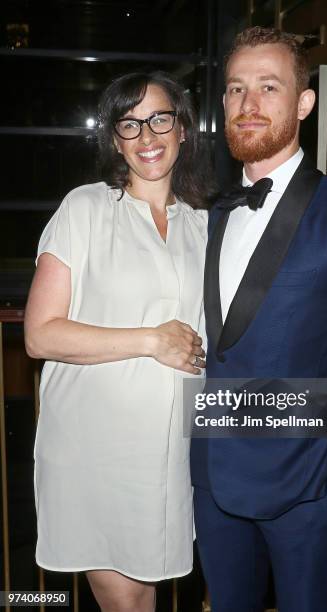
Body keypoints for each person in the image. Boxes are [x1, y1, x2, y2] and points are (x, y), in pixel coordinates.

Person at [190, 26, 327, 612]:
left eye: (268, 87)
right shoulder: (211, 214)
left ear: (304, 103)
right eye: (236, 89)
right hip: (212, 481)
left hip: (307, 491)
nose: (249, 104)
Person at [25, 71, 213, 612]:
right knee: (125, 603)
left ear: (182, 130)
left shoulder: (203, 223)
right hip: (93, 446)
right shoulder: (84, 209)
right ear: (114, 139)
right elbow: (39, 334)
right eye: (130, 124)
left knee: (146, 595)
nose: (147, 137)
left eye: (160, 119)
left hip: (167, 453)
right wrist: (151, 340)